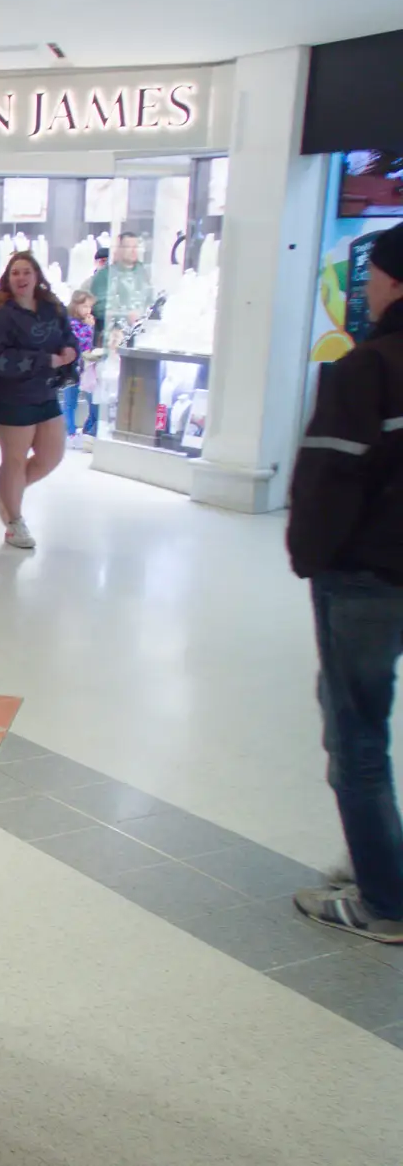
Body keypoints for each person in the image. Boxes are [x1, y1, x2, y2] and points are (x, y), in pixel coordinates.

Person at [286, 221, 403, 945]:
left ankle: (383, 898)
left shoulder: (370, 368)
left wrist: (311, 555)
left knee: (355, 731)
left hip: (363, 572)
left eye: (374, 275)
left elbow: (329, 476)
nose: (365, 288)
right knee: (367, 713)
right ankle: (379, 858)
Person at [0, 252, 79, 550]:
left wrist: (70, 351)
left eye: (26, 272)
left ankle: (6, 496)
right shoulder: (0, 313)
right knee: (14, 458)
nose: (21, 278)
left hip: (46, 391)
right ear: (8, 279)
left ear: (37, 275)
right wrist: (44, 359)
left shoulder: (52, 307)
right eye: (15, 273)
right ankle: (14, 521)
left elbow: (69, 336)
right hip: (10, 394)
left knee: (51, 455)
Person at [88, 232, 152, 341]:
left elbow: (149, 299)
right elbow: (98, 308)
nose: (133, 250)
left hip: (141, 337)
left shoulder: (142, 273)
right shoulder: (104, 275)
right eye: (128, 247)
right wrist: (124, 315)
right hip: (111, 339)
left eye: (135, 247)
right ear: (119, 249)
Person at [60, 289, 100, 447]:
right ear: (75, 305)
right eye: (84, 306)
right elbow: (79, 342)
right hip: (72, 367)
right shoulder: (70, 322)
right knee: (70, 401)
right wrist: (89, 328)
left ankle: (85, 431)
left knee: (91, 400)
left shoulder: (86, 321)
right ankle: (69, 433)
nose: (88, 310)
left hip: (86, 367)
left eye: (89, 306)